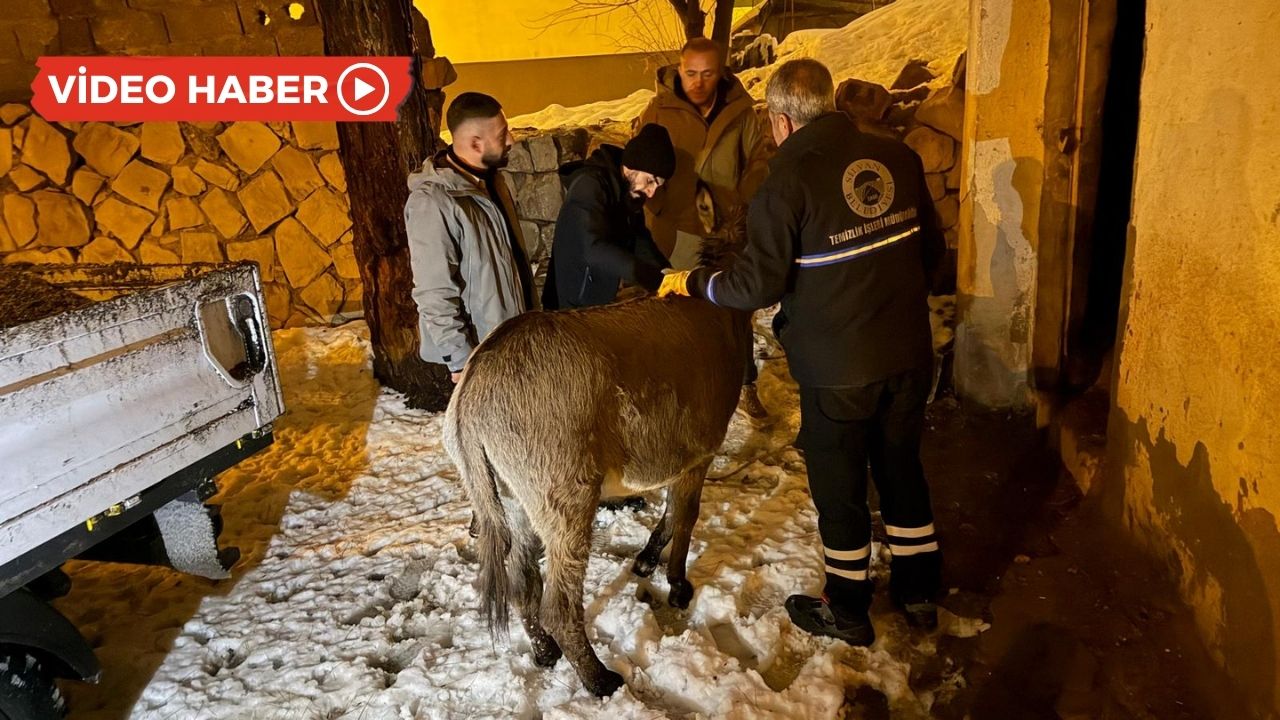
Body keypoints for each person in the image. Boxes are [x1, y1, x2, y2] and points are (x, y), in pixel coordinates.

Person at [658, 59, 946, 645]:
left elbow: (754, 286)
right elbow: (933, 255)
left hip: (838, 367)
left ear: (781, 120)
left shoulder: (786, 182)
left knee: (839, 484)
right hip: (909, 351)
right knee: (900, 467)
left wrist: (692, 283)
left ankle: (846, 604)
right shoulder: (898, 157)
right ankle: (919, 591)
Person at [637, 37, 772, 419]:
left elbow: (759, 163)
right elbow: (640, 165)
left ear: (721, 72)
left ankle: (744, 384)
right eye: (690, 73)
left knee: (734, 312)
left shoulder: (741, 112)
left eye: (707, 74)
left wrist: (739, 208)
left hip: (725, 231)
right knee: (676, 311)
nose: (697, 82)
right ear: (679, 69)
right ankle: (679, 393)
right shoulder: (657, 111)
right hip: (675, 228)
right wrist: (656, 206)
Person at [404, 92, 534, 383]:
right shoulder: (433, 202)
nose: (511, 140)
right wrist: (460, 360)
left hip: (514, 343)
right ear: (476, 143)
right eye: (502, 134)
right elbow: (433, 292)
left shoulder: (491, 182)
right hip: (483, 356)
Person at [541, 123, 675, 310]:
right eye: (651, 181)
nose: (651, 192)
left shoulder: (630, 193)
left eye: (657, 186)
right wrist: (649, 277)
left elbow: (638, 238)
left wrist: (666, 273)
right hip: (570, 307)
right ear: (632, 166)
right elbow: (592, 248)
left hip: (595, 301)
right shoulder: (589, 186)